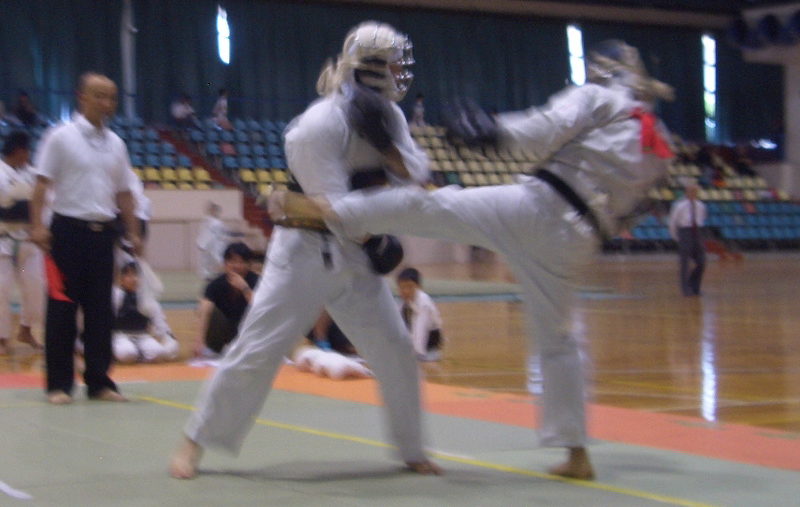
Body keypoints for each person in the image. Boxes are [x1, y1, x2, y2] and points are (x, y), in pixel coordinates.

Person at [271, 39, 676, 480]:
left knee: (433, 207)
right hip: (579, 241)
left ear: (609, 74)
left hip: (539, 208)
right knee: (559, 342)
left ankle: (327, 210)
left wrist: (493, 130)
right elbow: (632, 208)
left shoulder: (599, 98)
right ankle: (576, 454)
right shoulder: (661, 147)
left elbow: (545, 127)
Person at [169, 20, 440, 479]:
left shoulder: (390, 117)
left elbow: (415, 173)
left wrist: (388, 151)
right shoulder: (316, 125)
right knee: (257, 348)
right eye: (393, 64)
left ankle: (411, 448)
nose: (399, 72)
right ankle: (193, 441)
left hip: (354, 258)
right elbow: (334, 208)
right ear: (372, 67)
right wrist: (378, 239)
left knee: (394, 350)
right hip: (305, 252)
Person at [29, 71, 142, 405]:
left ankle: (99, 382)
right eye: (99, 95)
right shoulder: (60, 137)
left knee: (100, 311)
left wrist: (132, 230)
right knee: (63, 309)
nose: (106, 102)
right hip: (66, 232)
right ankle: (58, 385)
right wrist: (37, 226)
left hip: (102, 234)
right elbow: (40, 185)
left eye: (111, 97)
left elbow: (124, 193)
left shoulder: (117, 144)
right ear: (81, 97)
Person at [0, 131, 44, 355]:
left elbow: (41, 203)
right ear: (19, 151)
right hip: (4, 244)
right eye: (26, 151)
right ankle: (2, 337)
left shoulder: (33, 173)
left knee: (35, 286)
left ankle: (26, 329)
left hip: (28, 243)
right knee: (2, 289)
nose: (28, 155)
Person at [193, 242, 258, 357]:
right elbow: (204, 309)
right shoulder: (215, 284)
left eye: (241, 262)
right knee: (205, 306)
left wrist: (245, 288)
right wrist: (199, 341)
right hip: (223, 334)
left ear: (249, 265)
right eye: (232, 261)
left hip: (249, 334)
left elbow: (261, 308)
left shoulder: (257, 281)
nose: (236, 266)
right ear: (225, 263)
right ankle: (213, 350)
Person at [112, 261, 179, 363]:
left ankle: (138, 354)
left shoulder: (149, 300)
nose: (134, 279)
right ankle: (122, 353)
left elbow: (161, 327)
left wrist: (170, 341)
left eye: (137, 275)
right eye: (129, 276)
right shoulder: (116, 297)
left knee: (157, 353)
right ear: (121, 280)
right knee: (127, 353)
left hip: (142, 336)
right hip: (120, 337)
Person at [667, 182, 707, 296]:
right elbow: (673, 222)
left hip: (696, 232)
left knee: (701, 261)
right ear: (686, 192)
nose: (693, 193)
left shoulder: (700, 206)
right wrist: (676, 236)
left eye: (695, 191)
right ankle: (685, 289)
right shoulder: (680, 206)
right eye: (691, 191)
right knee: (684, 264)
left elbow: (702, 218)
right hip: (685, 232)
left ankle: (695, 286)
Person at [396, 267, 443, 361]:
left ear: (418, 287)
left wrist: (416, 353)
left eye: (409, 287)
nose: (405, 291)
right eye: (402, 287)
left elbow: (420, 329)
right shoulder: (403, 304)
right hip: (411, 342)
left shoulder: (424, 302)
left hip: (428, 345)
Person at [196, 202, 229, 282]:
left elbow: (222, 235)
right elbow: (203, 232)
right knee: (205, 260)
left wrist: (224, 243)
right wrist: (201, 243)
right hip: (207, 243)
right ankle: (206, 274)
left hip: (215, 244)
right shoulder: (207, 220)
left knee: (217, 258)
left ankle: (221, 271)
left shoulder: (217, 222)